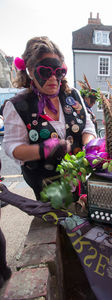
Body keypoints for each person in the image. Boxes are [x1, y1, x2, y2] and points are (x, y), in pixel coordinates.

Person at [2, 36, 96, 200]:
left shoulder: (72, 95)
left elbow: (88, 126)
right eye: (45, 72)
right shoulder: (17, 105)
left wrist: (89, 147)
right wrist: (42, 149)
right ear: (31, 71)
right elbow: (12, 147)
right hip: (47, 190)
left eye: (58, 72)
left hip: (81, 183)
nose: (53, 78)